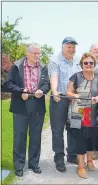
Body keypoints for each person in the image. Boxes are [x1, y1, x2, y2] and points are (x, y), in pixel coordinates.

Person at [4, 43, 50, 177]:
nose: (37, 56)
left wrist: (42, 90)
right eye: (35, 53)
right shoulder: (16, 66)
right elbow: (8, 84)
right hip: (20, 107)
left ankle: (34, 164)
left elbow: (47, 84)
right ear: (27, 53)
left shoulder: (43, 67)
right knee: (19, 137)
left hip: (37, 106)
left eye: (38, 53)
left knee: (36, 137)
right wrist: (20, 91)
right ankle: (19, 165)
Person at [66, 52, 98, 179]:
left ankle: (90, 161)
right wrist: (74, 95)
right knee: (81, 139)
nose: (88, 65)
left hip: (93, 113)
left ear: (94, 64)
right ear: (82, 64)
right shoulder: (75, 77)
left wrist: (97, 98)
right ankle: (81, 166)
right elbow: (68, 92)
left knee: (91, 139)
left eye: (91, 63)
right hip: (79, 113)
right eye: (86, 63)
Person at [48, 37, 81, 172]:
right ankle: (59, 158)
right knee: (58, 130)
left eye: (73, 47)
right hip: (60, 98)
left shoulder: (77, 60)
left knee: (74, 127)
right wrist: (55, 91)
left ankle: (72, 155)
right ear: (63, 47)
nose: (72, 50)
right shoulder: (55, 60)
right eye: (69, 47)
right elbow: (54, 76)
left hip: (74, 99)